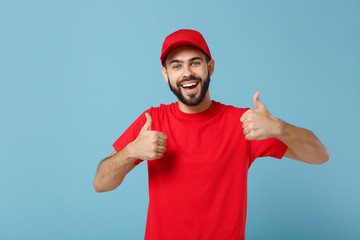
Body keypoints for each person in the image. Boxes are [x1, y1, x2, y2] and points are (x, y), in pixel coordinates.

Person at [93, 29, 329, 240]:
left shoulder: (242, 122)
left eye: (195, 63)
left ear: (211, 67)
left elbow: (320, 155)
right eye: (176, 66)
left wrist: (279, 127)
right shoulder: (152, 121)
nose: (187, 73)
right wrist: (132, 151)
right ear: (165, 74)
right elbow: (101, 183)